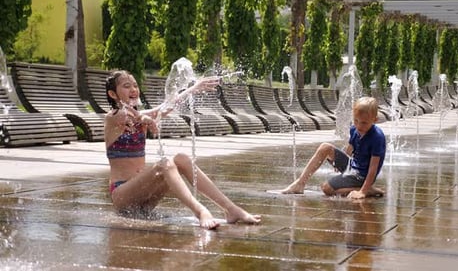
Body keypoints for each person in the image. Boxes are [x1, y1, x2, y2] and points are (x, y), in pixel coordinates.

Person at [104, 70, 261, 229]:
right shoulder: (113, 117)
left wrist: (193, 88)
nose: (133, 89)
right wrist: (145, 119)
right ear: (113, 94)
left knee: (181, 158)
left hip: (144, 198)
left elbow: (165, 107)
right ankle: (200, 211)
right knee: (164, 163)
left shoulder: (140, 115)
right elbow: (130, 116)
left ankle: (231, 209)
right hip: (122, 195)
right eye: (126, 86)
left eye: (135, 85)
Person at [280, 96, 386, 199]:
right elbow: (351, 147)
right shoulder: (355, 129)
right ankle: (300, 183)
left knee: (327, 188)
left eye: (364, 123)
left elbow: (373, 168)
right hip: (352, 166)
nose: (359, 126)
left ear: (375, 120)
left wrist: (362, 192)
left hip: (362, 176)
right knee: (325, 147)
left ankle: (367, 189)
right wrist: (340, 163)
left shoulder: (377, 137)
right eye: (356, 121)